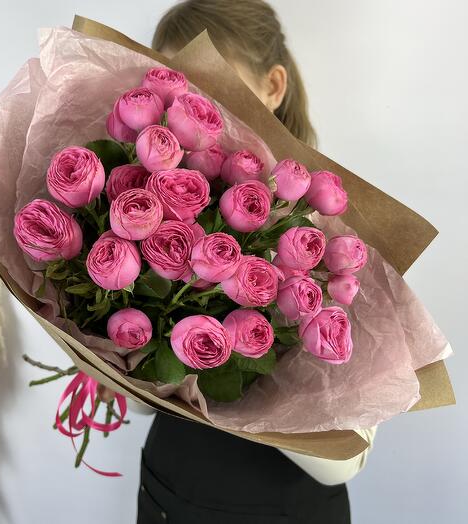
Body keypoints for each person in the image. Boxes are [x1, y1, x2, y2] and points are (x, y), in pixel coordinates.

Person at [134, 1, 377, 523]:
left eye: (212, 82)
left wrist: (247, 342)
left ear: (273, 86)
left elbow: (345, 460)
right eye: (175, 88)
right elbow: (138, 400)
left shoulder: (335, 239)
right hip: (166, 492)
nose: (190, 109)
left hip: (281, 507)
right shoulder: (148, 210)